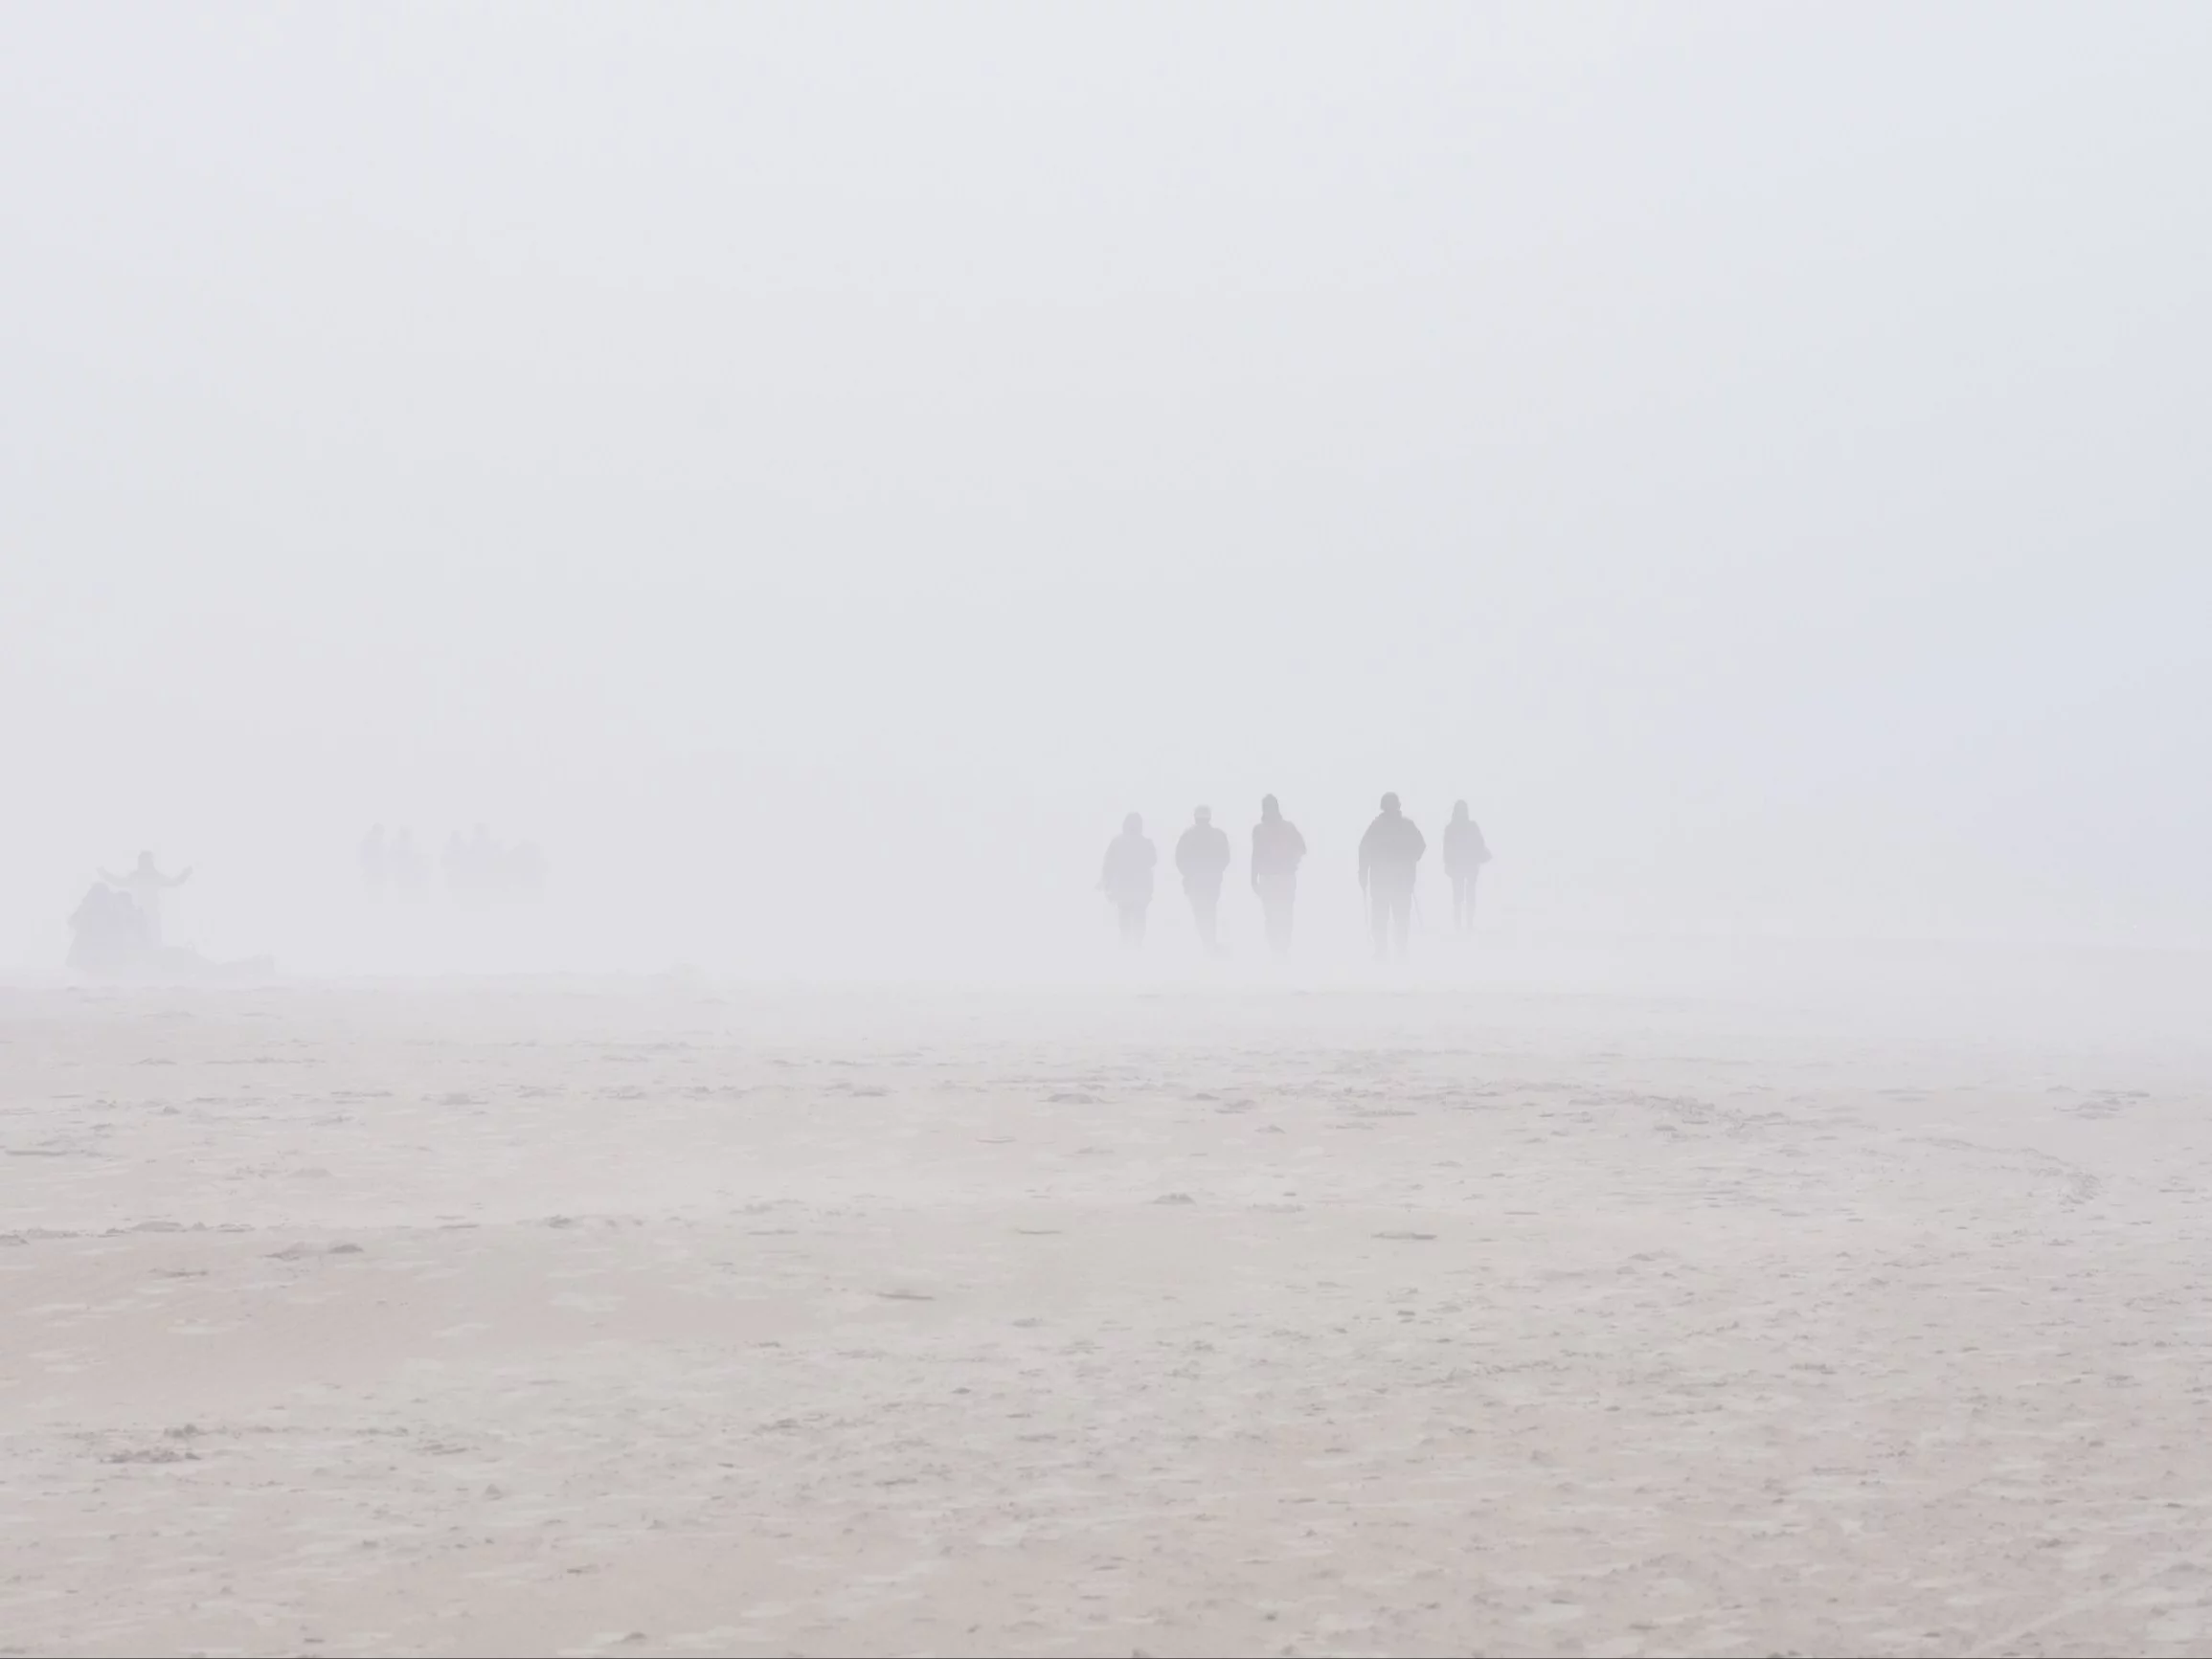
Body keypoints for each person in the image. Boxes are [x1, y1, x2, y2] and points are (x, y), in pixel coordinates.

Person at [1356, 793, 1425, 962]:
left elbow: (1364, 850)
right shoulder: (1403, 826)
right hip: (1394, 880)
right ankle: (1392, 950)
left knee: (1387, 916)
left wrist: (1363, 873)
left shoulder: (1378, 826)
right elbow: (1420, 846)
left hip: (1388, 880)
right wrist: (1411, 859)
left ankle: (1389, 950)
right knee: (1395, 916)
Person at [1250, 795, 1307, 957]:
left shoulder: (1265, 829)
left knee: (1280, 913)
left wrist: (1253, 878)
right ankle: (1278, 949)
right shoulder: (1263, 829)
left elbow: (1302, 849)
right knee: (1276, 913)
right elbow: (1256, 855)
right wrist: (1253, 878)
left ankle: (1280, 948)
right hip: (1276, 878)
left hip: (1280, 878)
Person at [97, 851, 192, 946]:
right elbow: (119, 882)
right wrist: (104, 874)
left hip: (150, 911)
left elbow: (174, 882)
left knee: (152, 936)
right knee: (141, 936)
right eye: (142, 861)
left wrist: (185, 874)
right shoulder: (139, 876)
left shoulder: (151, 876)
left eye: (144, 861)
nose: (143, 863)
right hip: (138, 912)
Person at [1175, 806, 1231, 953]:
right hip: (1211, 881)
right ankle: (1209, 942)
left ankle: (1208, 942)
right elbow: (1225, 857)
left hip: (1195, 881)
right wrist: (1217, 871)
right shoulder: (1218, 835)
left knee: (1200, 911)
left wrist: (1187, 874)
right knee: (1210, 910)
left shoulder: (1188, 835)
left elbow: (1179, 858)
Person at [1098, 813, 1157, 948]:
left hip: (1123, 888)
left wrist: (1104, 881)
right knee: (1139, 916)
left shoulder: (1117, 842)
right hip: (1140, 888)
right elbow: (1153, 861)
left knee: (1124, 915)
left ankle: (1126, 943)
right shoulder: (1146, 843)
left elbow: (1108, 864)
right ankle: (1137, 943)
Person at [67, 882, 150, 975]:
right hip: (96, 955)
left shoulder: (108, 910)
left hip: (98, 955)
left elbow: (74, 922)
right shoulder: (110, 909)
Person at [1442, 800, 1491, 934]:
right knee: (1469, 896)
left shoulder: (1451, 828)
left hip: (1459, 866)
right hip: (1469, 866)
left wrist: (1447, 864)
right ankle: (1468, 925)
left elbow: (1447, 849)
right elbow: (1480, 843)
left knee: (1458, 897)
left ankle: (1460, 926)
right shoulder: (1471, 826)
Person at [360, 823, 389, 898]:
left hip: (376, 875)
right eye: (381, 832)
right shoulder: (371, 843)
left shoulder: (378, 843)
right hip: (372, 875)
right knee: (373, 893)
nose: (382, 835)